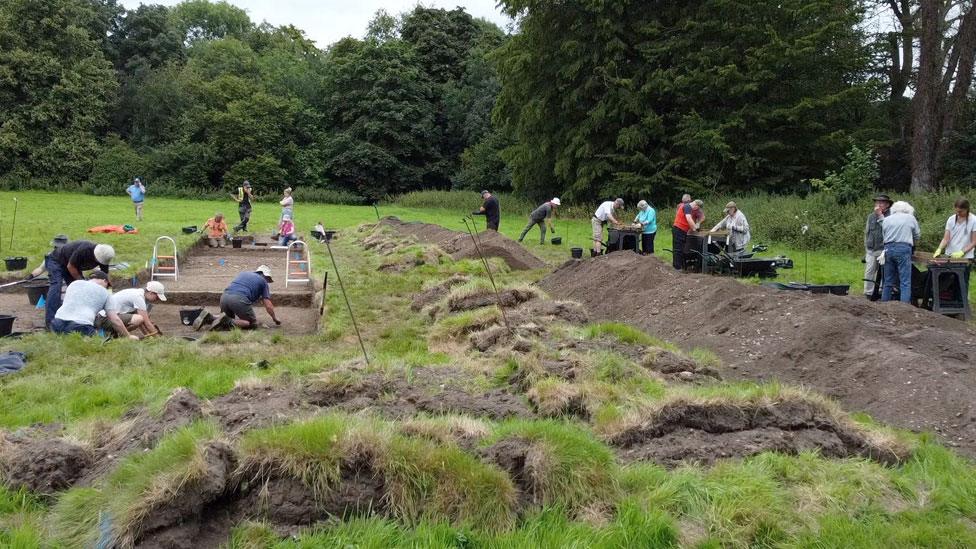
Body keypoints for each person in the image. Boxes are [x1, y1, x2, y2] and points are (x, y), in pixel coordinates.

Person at [45, 240, 115, 329]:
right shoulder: (85, 250)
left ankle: (73, 317)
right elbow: (70, 266)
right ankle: (50, 322)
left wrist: (110, 295)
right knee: (56, 286)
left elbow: (105, 278)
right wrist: (83, 282)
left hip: (72, 265)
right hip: (56, 261)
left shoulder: (104, 258)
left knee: (77, 292)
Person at [195, 265, 281, 330]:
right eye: (268, 280)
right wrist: (274, 318)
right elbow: (268, 305)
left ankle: (210, 318)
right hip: (238, 299)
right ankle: (226, 322)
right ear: (266, 276)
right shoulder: (263, 281)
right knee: (251, 324)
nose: (268, 282)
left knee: (227, 318)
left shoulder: (243, 273)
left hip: (224, 297)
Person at [881, 200, 921, 303]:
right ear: (908, 210)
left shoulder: (886, 219)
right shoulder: (910, 218)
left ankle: (884, 304)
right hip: (903, 248)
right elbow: (917, 235)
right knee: (905, 281)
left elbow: (884, 235)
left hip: (888, 248)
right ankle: (904, 307)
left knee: (888, 280)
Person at [97, 281, 166, 339]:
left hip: (110, 316)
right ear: (151, 293)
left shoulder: (140, 294)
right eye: (157, 297)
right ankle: (117, 334)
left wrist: (148, 336)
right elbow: (146, 323)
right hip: (103, 318)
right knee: (139, 319)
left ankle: (116, 335)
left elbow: (142, 323)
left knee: (142, 317)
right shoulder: (138, 297)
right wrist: (157, 338)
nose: (157, 300)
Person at [51, 271, 112, 336]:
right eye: (107, 286)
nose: (106, 288)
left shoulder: (74, 284)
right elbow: (114, 319)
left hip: (57, 323)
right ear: (105, 281)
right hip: (81, 325)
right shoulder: (104, 292)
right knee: (98, 341)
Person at [863, 194, 892, 297]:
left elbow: (887, 228)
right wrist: (866, 247)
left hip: (884, 249)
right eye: (877, 202)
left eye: (881, 202)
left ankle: (881, 291)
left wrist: (880, 215)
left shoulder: (891, 216)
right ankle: (868, 292)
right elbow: (866, 232)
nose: (879, 204)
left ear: (887, 205)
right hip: (871, 249)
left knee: (884, 272)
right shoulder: (870, 216)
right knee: (869, 271)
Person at [671, 199, 702, 270]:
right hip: (679, 229)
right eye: (697, 208)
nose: (696, 210)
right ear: (696, 206)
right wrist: (695, 228)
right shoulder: (687, 207)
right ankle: (677, 268)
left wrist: (694, 226)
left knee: (680, 249)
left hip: (681, 230)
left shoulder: (688, 207)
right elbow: (689, 219)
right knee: (678, 249)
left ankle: (677, 266)